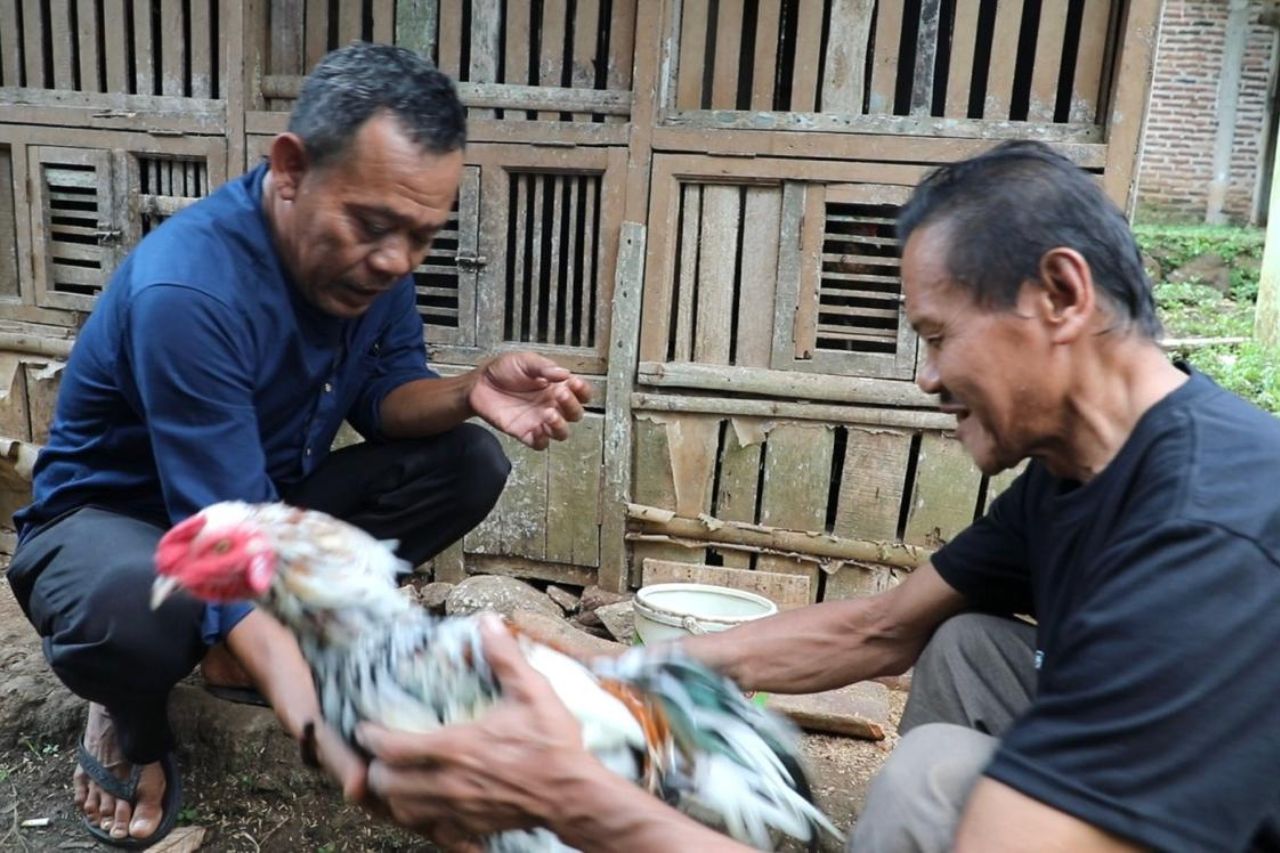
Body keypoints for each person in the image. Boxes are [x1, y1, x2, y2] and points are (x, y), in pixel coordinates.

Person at [351, 141, 1280, 852]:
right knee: (966, 643)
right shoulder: (1081, 468)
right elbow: (875, 630)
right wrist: (611, 679)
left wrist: (573, 800)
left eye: (936, 334)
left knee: (926, 778)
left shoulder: (1205, 533)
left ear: (1062, 294)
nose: (925, 378)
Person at [5, 42, 589, 848]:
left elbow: (387, 398)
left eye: (421, 237)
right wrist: (343, 743)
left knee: (468, 460)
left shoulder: (371, 264)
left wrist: (471, 391)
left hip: (252, 507)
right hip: (113, 527)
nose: (394, 261)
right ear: (290, 167)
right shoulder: (193, 290)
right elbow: (226, 549)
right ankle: (126, 714)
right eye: (372, 225)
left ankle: (231, 654)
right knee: (132, 612)